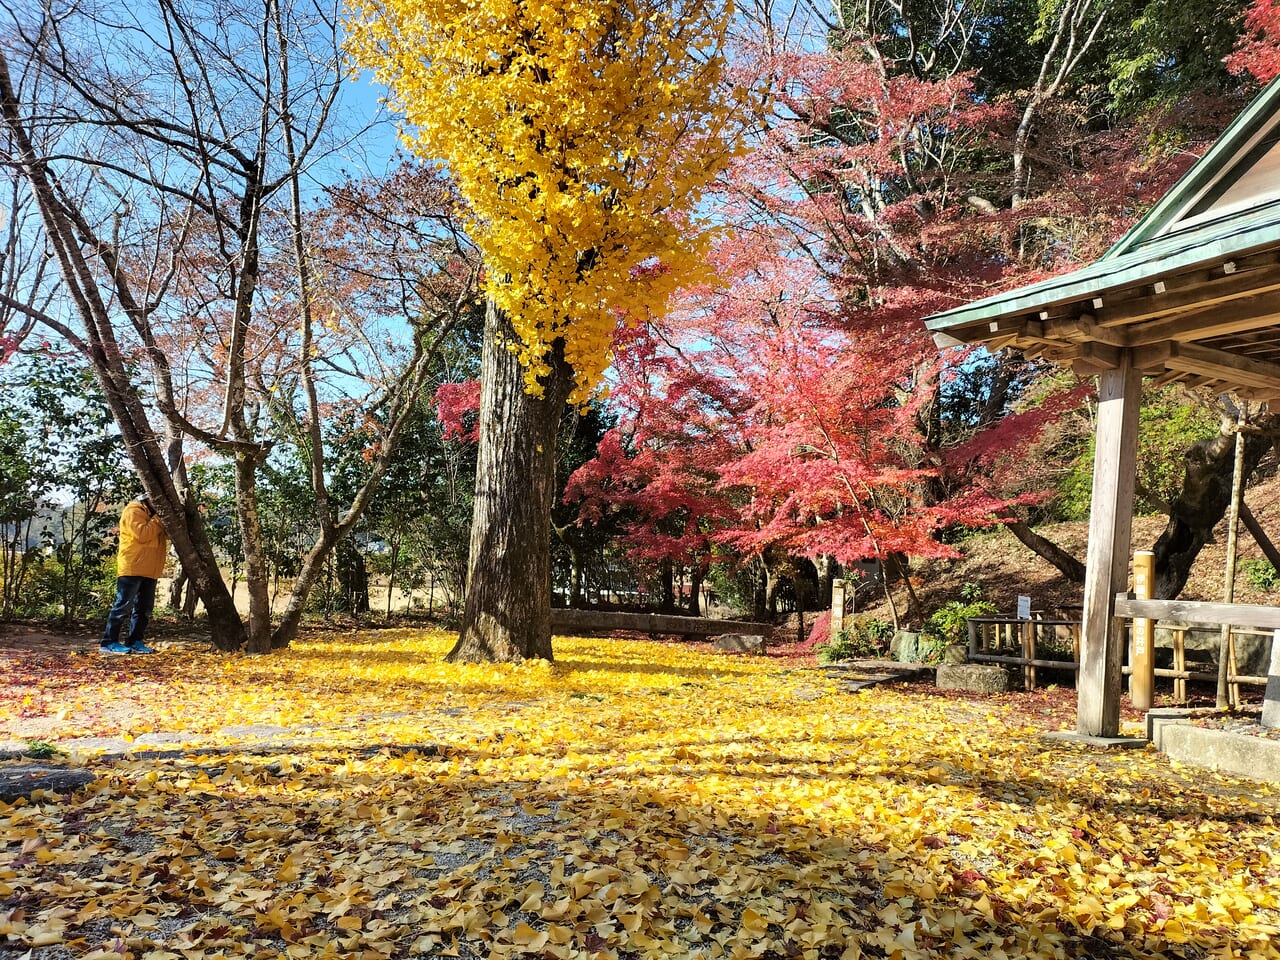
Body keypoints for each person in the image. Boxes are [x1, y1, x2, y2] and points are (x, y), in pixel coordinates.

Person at [100, 495, 169, 655]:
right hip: (133, 566)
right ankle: (109, 642)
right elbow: (143, 535)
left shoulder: (152, 515)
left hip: (150, 569)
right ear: (148, 499)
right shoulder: (134, 510)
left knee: (144, 609)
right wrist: (159, 518)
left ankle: (135, 641)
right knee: (123, 606)